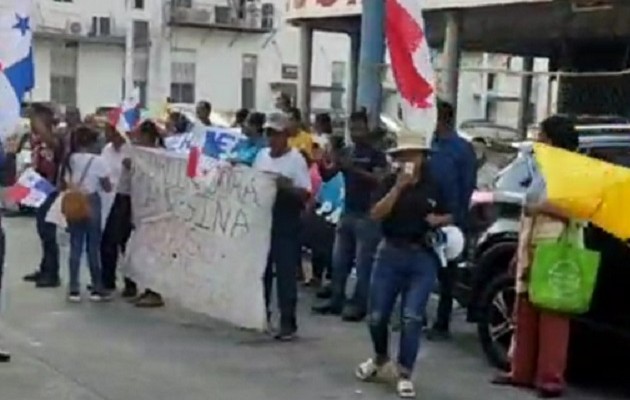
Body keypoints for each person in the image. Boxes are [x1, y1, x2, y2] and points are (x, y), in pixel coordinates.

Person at [355, 134, 452, 399]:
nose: (409, 160)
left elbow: (451, 213)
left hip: (422, 254)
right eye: (403, 155)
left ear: (423, 157)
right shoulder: (389, 182)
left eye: (414, 155)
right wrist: (398, 187)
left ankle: (405, 372)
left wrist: (439, 220)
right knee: (377, 315)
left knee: (412, 316)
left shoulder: (434, 184)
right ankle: (380, 357)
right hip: (390, 251)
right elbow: (376, 213)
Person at [491, 115, 578, 398]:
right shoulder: (542, 168)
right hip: (532, 244)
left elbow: (578, 210)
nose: (538, 141)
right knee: (524, 311)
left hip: (556, 247)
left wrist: (541, 207)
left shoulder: (574, 170)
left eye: (542, 136)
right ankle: (521, 370)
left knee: (552, 316)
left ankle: (550, 378)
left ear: (553, 140)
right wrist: (520, 252)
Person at [312, 111, 386, 322]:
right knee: (339, 261)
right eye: (352, 129)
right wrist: (321, 162)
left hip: (367, 214)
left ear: (367, 129)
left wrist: (353, 169)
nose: (355, 133)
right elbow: (329, 175)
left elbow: (380, 180)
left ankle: (359, 304)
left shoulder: (376, 154)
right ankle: (337, 298)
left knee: (363, 265)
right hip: (348, 211)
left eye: (359, 128)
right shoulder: (347, 151)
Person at [253, 113, 311, 341]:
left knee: (285, 273)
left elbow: (305, 194)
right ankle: (261, 315)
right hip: (263, 219)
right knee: (262, 271)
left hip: (286, 220)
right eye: (269, 134)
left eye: (276, 134)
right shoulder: (261, 156)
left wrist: (286, 186)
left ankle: (288, 321)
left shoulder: (296, 160)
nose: (272, 139)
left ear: (286, 135)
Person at [427, 100, 477, 340]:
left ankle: (442, 323)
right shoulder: (430, 145)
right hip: (426, 214)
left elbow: (467, 188)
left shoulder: (462, 150)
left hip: (451, 219)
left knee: (447, 273)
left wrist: (453, 218)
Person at [61, 126, 113, 302]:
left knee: (75, 245)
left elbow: (66, 182)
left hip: (74, 201)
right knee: (93, 247)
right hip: (92, 201)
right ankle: (97, 288)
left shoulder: (70, 159)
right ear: (92, 142)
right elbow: (107, 186)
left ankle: (74, 288)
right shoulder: (99, 161)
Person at [23, 104, 64, 288]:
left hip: (51, 187)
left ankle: (52, 273)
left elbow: (52, 144)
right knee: (41, 229)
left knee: (48, 231)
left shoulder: (54, 136)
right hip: (38, 184)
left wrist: (36, 117)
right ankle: (45, 267)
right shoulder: (38, 137)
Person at [130, 120, 166, 308]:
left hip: (156, 211)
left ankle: (155, 292)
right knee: (143, 252)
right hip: (142, 210)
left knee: (154, 254)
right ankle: (146, 288)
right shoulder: (141, 155)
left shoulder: (159, 156)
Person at [100, 123, 133, 295]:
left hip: (125, 197)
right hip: (107, 196)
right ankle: (107, 280)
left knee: (125, 241)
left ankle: (130, 283)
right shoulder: (107, 150)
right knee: (107, 241)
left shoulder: (131, 150)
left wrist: (131, 167)